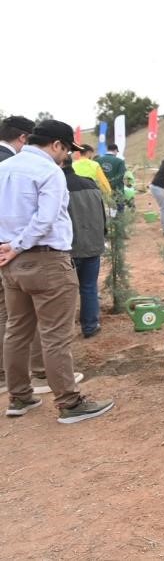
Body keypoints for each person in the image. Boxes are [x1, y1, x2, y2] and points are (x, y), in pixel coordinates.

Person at [0, 120, 114, 423]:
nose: (66, 157)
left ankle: (20, 397)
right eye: (67, 150)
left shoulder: (5, 168)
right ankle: (69, 402)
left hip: (11, 264)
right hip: (46, 261)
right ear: (57, 145)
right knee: (54, 336)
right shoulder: (49, 171)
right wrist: (19, 244)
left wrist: (9, 247)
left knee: (16, 331)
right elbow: (46, 219)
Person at [0, 115, 45, 395]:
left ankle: (6, 376)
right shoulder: (11, 166)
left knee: (7, 315)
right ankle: (39, 373)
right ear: (24, 139)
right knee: (26, 314)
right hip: (12, 251)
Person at [62, 156, 106, 339]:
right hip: (92, 245)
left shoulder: (55, 185)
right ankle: (90, 326)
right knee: (89, 287)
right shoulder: (91, 185)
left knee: (63, 292)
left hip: (67, 248)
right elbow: (102, 214)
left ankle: (62, 333)